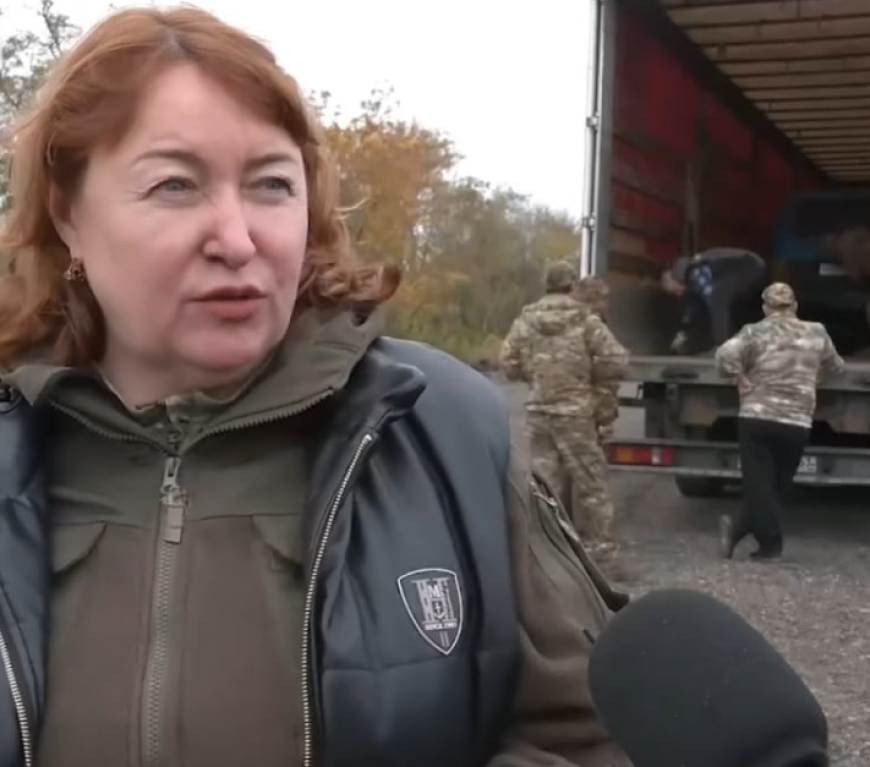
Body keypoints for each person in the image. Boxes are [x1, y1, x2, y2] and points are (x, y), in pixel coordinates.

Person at [0, 8, 633, 767]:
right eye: (175, 184)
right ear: (68, 213)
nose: (238, 240)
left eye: (272, 184)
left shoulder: (442, 431)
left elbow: (587, 735)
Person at [500, 262, 628, 565]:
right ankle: (601, 551)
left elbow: (508, 362)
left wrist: (536, 377)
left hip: (539, 411)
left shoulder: (526, 320)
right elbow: (616, 360)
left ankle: (544, 549)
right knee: (590, 483)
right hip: (576, 412)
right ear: (571, 286)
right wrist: (590, 381)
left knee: (544, 482)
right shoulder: (584, 318)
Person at [715, 283, 844, 562]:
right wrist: (812, 378)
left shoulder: (754, 332)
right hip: (797, 421)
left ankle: (769, 546)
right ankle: (737, 534)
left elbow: (724, 355)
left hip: (757, 417)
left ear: (765, 308)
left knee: (760, 487)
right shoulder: (817, 332)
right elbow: (836, 366)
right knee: (775, 487)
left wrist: (739, 378)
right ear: (795, 306)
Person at [661, 247, 766, 354]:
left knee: (717, 299)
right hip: (750, 266)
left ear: (673, 279)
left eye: (675, 291)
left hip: (748, 264)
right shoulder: (694, 272)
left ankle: (722, 347)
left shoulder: (691, 271)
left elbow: (713, 299)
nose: (679, 294)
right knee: (721, 302)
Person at [575, 275, 623, 445]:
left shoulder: (560, 319)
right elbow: (616, 360)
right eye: (603, 299)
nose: (606, 305)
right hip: (587, 408)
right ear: (592, 300)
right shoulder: (593, 324)